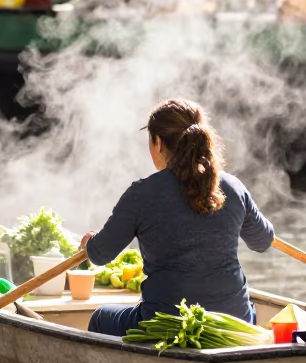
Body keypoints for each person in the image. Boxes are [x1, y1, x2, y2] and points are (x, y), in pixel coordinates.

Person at [78, 99, 275, 338]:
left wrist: (91, 242)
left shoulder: (142, 193)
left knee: (100, 318)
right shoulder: (233, 188)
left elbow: (100, 255)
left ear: (158, 142)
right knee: (250, 310)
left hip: (166, 322)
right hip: (235, 320)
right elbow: (263, 241)